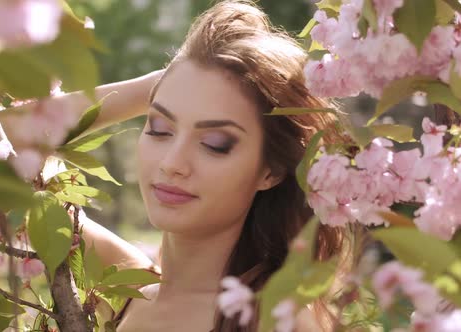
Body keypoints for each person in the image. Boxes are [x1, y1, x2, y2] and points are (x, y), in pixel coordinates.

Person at [42, 1, 354, 331]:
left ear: (271, 171)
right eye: (159, 129)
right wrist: (165, 84)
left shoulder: (279, 320)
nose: (172, 163)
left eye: (215, 145)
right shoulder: (131, 291)